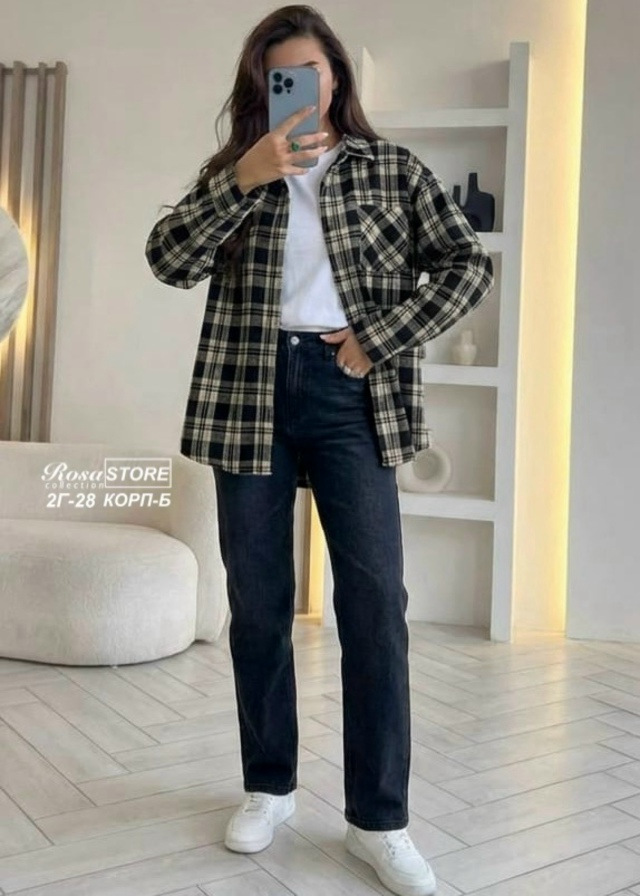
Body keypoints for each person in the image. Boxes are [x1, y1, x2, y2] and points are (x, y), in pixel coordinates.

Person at [145, 5, 493, 895]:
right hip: (248, 393)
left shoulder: (390, 169)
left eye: (309, 70)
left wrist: (380, 335)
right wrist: (244, 178)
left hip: (352, 392)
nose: (296, 87)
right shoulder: (238, 171)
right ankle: (269, 787)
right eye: (278, 77)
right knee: (258, 604)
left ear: (335, 74)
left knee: (374, 604)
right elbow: (168, 260)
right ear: (261, 86)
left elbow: (467, 265)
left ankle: (380, 820)